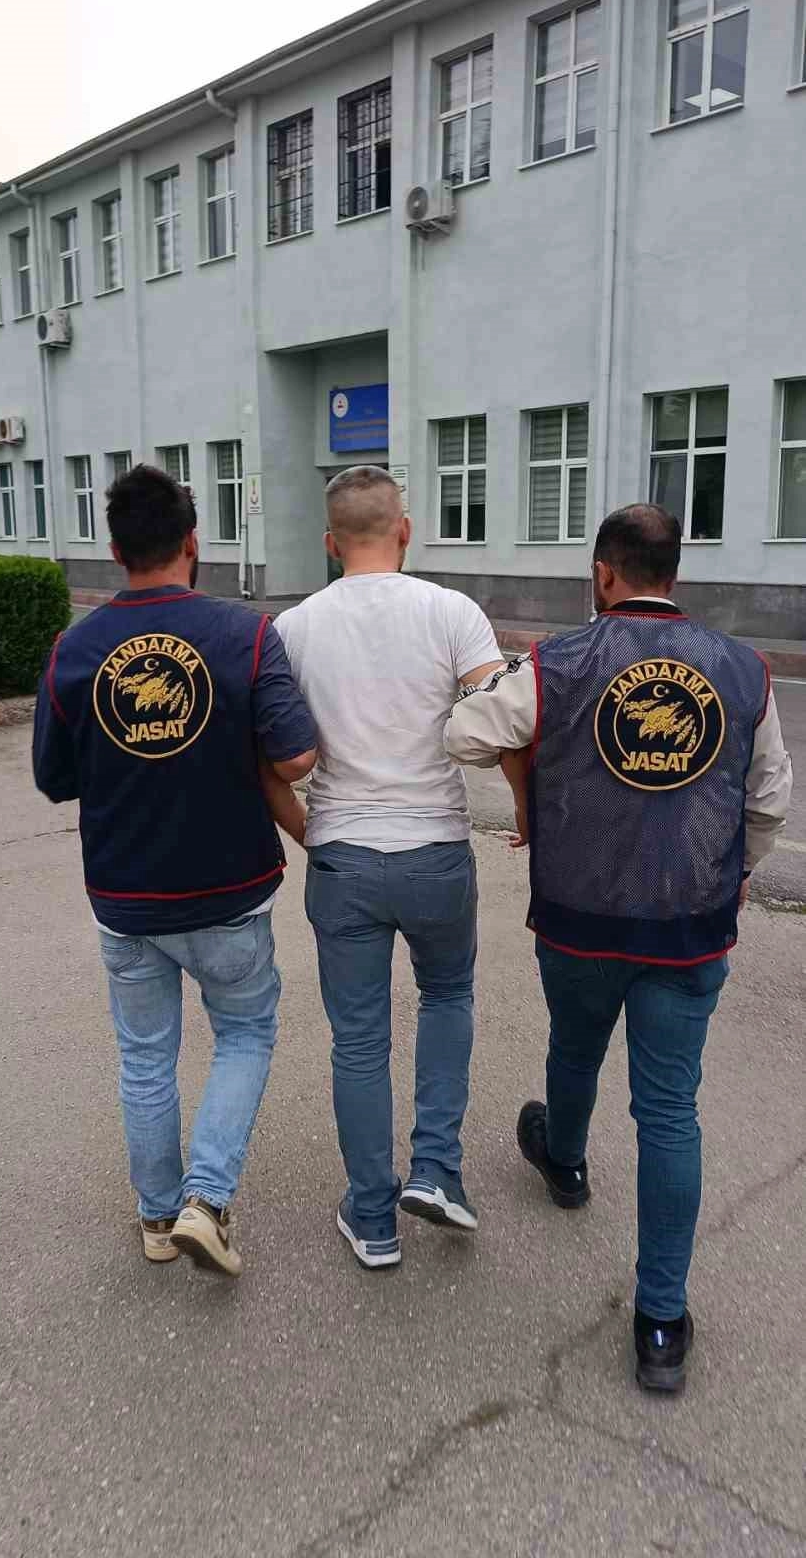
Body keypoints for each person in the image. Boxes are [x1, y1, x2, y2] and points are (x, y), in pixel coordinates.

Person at [445, 503, 792, 1391]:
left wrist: (527, 774)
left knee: (575, 1046)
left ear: (603, 574)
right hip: (688, 928)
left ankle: (564, 1163)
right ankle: (661, 1324)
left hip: (581, 919)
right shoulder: (742, 669)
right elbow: (767, 803)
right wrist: (736, 873)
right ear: (675, 573)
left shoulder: (558, 662)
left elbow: (464, 732)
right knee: (669, 1111)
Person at [33, 465, 316, 1276]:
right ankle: (207, 1199)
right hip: (230, 890)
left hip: (124, 896)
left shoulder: (74, 649)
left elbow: (55, 778)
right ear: (194, 542)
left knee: (146, 1057)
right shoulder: (246, 636)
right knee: (246, 1033)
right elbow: (296, 756)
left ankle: (159, 1218)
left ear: (115, 550)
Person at [275, 465, 503, 1269]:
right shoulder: (453, 613)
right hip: (436, 849)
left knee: (359, 1040)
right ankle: (436, 1171)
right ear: (405, 530)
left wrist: (309, 831)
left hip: (342, 853)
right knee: (448, 996)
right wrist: (533, 814)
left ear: (330, 543)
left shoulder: (292, 628)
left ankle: (372, 1217)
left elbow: (265, 753)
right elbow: (506, 721)